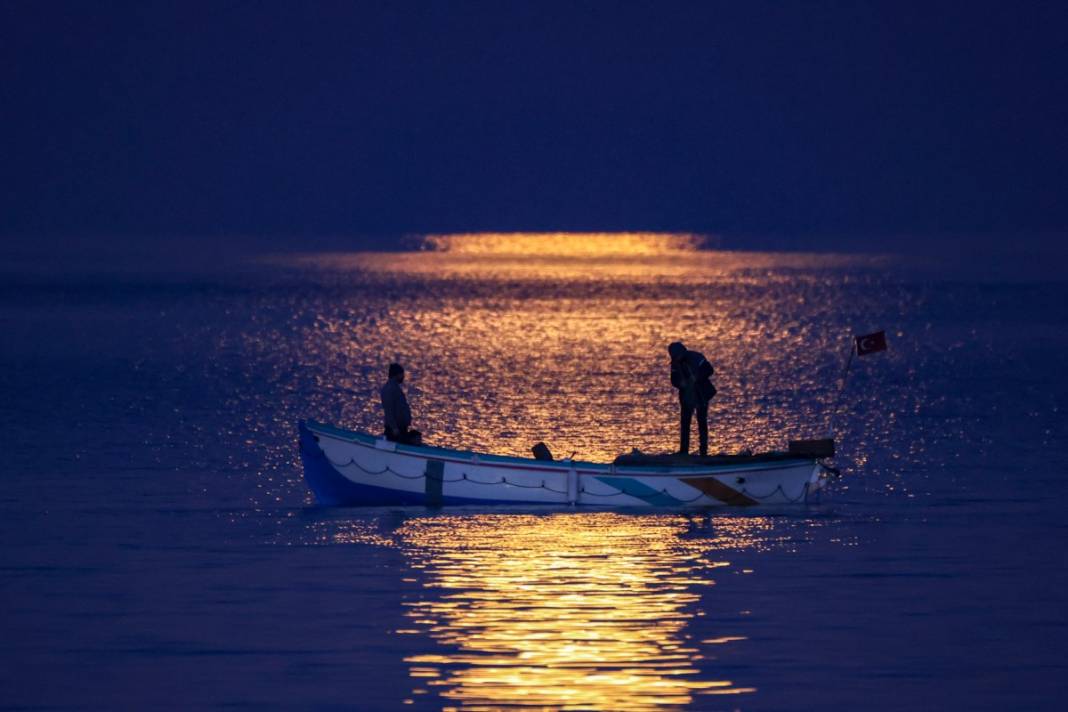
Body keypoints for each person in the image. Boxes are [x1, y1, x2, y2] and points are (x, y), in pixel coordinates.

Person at [668, 341, 716, 456]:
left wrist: (696, 377)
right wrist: (681, 383)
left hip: (701, 394)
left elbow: (709, 370)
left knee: (701, 421)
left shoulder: (696, 357)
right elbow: (673, 380)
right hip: (686, 396)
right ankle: (684, 451)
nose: (676, 358)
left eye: (677, 356)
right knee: (685, 422)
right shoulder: (675, 364)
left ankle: (703, 452)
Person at [380, 363, 422, 445]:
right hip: (395, 430)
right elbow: (388, 410)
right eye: (402, 374)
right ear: (397, 374)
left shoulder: (395, 388)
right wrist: (394, 428)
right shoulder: (390, 389)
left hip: (400, 428)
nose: (403, 377)